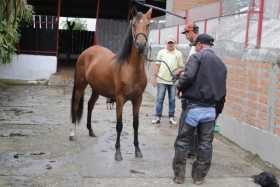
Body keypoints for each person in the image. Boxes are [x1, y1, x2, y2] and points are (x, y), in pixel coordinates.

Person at [172, 33, 227, 185]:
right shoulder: (221, 64)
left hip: (193, 108)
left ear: (201, 45)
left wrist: (179, 86)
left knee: (183, 142)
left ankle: (179, 176)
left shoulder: (197, 57)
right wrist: (217, 112)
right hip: (210, 110)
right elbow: (222, 92)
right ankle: (199, 177)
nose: (196, 48)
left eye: (196, 46)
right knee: (205, 144)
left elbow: (188, 77)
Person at [151, 35, 184, 125]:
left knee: (172, 100)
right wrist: (154, 77)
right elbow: (157, 65)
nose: (170, 44)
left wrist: (178, 75)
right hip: (161, 80)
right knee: (159, 99)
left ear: (175, 44)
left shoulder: (178, 54)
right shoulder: (161, 52)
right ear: (166, 43)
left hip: (173, 82)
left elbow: (181, 67)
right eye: (169, 43)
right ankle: (157, 117)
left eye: (172, 43)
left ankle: (171, 117)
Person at [180, 22, 200, 159]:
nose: (186, 36)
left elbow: (192, 71)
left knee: (189, 121)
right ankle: (192, 149)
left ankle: (190, 150)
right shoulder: (195, 46)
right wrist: (183, 70)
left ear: (192, 32)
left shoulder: (198, 47)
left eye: (187, 33)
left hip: (193, 91)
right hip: (195, 89)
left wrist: (180, 84)